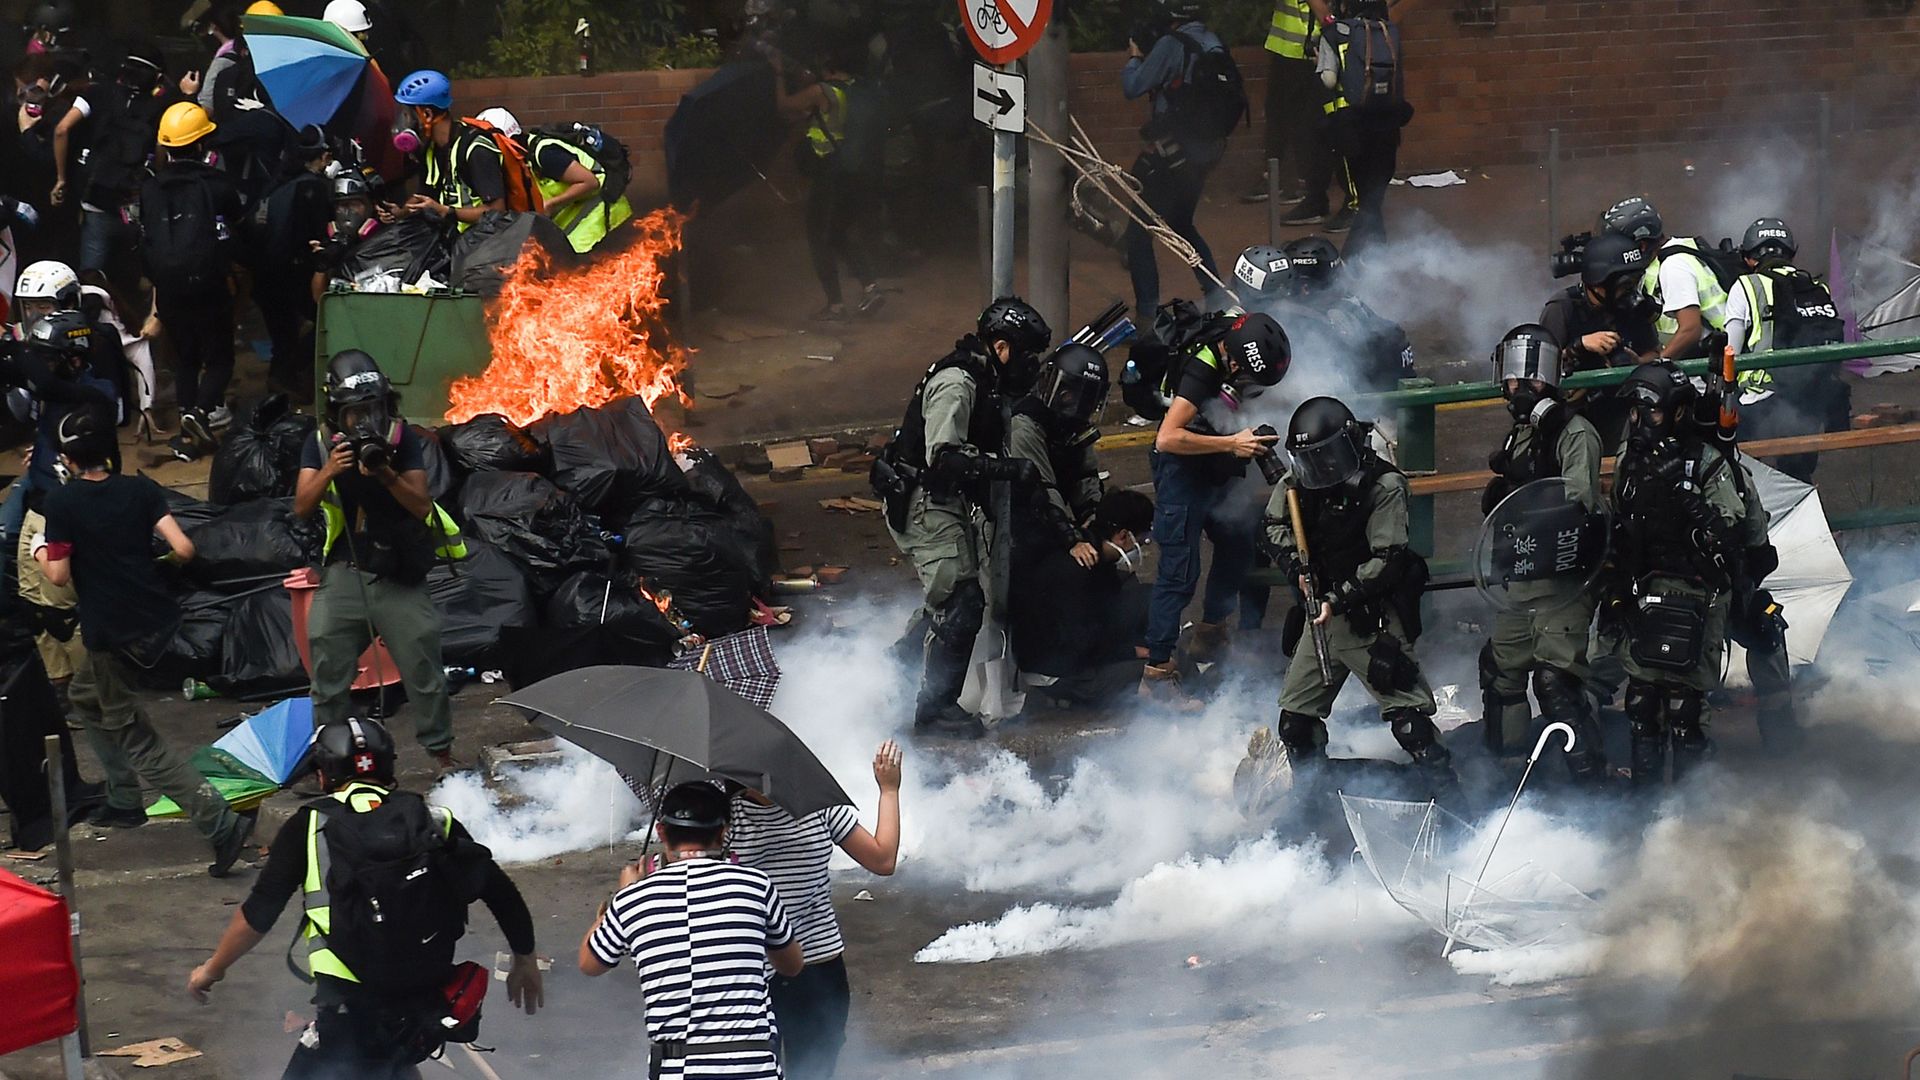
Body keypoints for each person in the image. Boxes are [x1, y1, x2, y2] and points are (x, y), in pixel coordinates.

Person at [186, 717, 544, 1079]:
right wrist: (524, 958)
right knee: (394, 1063)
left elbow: (258, 914)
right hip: (423, 994)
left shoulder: (309, 826)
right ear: (389, 766)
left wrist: (212, 970)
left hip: (348, 999)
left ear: (323, 775)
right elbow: (499, 890)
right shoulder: (434, 820)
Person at [34, 407, 257, 869]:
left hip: (110, 635)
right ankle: (122, 795)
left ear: (68, 460)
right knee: (85, 696)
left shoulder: (62, 503)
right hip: (155, 624)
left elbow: (56, 576)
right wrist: (150, 571)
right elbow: (184, 548)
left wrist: (39, 547)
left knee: (140, 741)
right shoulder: (140, 490)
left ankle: (220, 823)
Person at [874, 298, 1052, 739]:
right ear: (1002, 346)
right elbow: (945, 459)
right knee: (961, 602)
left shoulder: (986, 380)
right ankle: (934, 711)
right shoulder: (958, 383)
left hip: (943, 501)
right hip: (922, 500)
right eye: (1027, 353)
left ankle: (896, 667)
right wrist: (1009, 470)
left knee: (956, 596)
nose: (1030, 365)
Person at [293, 350, 467, 770]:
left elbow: (422, 506)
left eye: (373, 409)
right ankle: (330, 760)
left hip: (397, 573)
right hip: (346, 569)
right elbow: (300, 506)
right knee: (327, 670)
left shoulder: (402, 440)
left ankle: (440, 752)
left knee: (423, 669)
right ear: (337, 413)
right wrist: (330, 470)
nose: (364, 421)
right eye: (355, 413)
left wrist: (386, 474)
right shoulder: (319, 444)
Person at [1264, 396, 1448, 780]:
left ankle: (1449, 799)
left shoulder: (1384, 485)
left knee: (1409, 724)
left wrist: (1336, 598)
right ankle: (1314, 801)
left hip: (1370, 617)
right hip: (1320, 619)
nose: (1318, 468)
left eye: (1324, 457)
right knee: (1295, 723)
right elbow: (1273, 526)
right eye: (1310, 460)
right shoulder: (1301, 478)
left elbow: (1387, 559)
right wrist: (1296, 567)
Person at [581, 781, 805, 1080]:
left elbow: (589, 963)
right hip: (754, 1067)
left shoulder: (633, 900)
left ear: (661, 832)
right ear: (724, 833)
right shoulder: (756, 885)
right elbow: (792, 965)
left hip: (678, 1069)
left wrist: (621, 898)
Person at [1604, 361, 1746, 787]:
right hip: (1646, 587)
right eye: (1634, 412)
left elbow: (1730, 533)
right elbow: (1619, 523)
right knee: (1642, 702)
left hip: (1697, 591)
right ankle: (1645, 801)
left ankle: (1691, 808)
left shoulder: (1704, 462)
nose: (1640, 421)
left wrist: (1686, 495)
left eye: (1651, 411)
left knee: (1685, 709)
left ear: (1678, 412)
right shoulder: (1630, 458)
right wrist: (1614, 589)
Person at [1475, 324, 1607, 780]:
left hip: (1562, 579)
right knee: (1500, 672)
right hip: (1519, 573)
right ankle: (1508, 772)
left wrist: (1528, 502)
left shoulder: (1575, 433)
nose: (1518, 387)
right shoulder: (1521, 434)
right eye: (1511, 376)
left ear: (1550, 378)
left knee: (1555, 684)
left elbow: (1581, 500)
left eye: (1529, 377)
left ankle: (1593, 782)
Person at [727, 741, 903, 1080]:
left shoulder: (727, 821)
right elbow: (883, 859)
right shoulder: (819, 808)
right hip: (815, 970)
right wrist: (889, 791)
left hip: (752, 972)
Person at [1139, 309, 1288, 703]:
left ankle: (1210, 636)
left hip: (1213, 463)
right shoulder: (1203, 370)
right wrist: (1232, 444)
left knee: (1239, 538)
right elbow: (1167, 438)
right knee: (1179, 571)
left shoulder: (1233, 331)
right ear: (1234, 362)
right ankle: (1157, 674)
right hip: (1180, 470)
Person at [1005, 344, 1150, 700]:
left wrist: (1096, 524)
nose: (1079, 406)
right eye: (1073, 395)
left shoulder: (1077, 428)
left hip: (1061, 533)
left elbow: (1086, 481)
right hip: (1022, 530)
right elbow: (1041, 488)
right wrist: (1074, 538)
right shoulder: (1026, 424)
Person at [139, 100, 243, 462]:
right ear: (202, 146)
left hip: (168, 289)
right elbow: (240, 225)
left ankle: (186, 427)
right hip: (209, 285)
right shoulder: (216, 186)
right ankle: (199, 412)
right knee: (219, 359)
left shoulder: (150, 190)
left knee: (185, 359)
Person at [1121, 4, 1230, 320]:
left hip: (1172, 155)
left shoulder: (1172, 45)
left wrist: (1135, 57)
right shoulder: (1212, 40)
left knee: (1139, 233)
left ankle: (1147, 317)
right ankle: (1216, 295)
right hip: (1204, 155)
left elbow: (1133, 86)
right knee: (1182, 224)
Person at [1722, 217, 1850, 483]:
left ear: (1748, 258)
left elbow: (1730, 351)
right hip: (1810, 402)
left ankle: (1758, 521)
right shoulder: (1816, 287)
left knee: (1744, 473)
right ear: (1791, 253)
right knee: (1797, 478)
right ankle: (1800, 521)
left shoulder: (1746, 286)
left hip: (1759, 402)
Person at [769, 45, 884, 321]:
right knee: (839, 232)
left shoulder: (822, 91)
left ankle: (835, 306)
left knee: (819, 236)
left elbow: (784, 105)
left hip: (830, 173)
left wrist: (778, 74)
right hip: (854, 170)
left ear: (827, 65)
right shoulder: (856, 89)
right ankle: (871, 287)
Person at [1235, 235, 1413, 391]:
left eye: (1291, 283)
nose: (1286, 290)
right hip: (1392, 389)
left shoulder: (1326, 321)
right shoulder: (1342, 302)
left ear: (1306, 287)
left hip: (1377, 409)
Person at [1538, 230, 1660, 448]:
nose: (1630, 292)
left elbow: (1653, 350)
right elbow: (1539, 372)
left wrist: (1638, 363)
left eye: (1634, 281)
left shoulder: (1633, 307)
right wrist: (1579, 346)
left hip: (1624, 412)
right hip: (1574, 417)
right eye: (1624, 284)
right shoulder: (1562, 309)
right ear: (1597, 284)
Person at [1314, 0, 1412, 257]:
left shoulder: (1335, 32)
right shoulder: (1390, 31)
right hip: (1388, 127)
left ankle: (1347, 266)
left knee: (1366, 203)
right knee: (1374, 199)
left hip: (1352, 129)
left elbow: (1328, 79)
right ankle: (1380, 261)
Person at [473, 107, 634, 255]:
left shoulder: (544, 154)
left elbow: (589, 182)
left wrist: (551, 204)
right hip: (586, 233)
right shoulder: (522, 163)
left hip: (605, 224)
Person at [74, 47, 167, 294]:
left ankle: (92, 311)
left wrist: (63, 178)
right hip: (134, 202)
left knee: (92, 271)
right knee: (138, 272)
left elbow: (63, 129)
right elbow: (159, 154)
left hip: (96, 196)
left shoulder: (101, 95)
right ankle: (136, 319)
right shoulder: (159, 108)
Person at [253, 125, 333, 402]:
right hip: (291, 272)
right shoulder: (313, 187)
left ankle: (282, 382)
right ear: (322, 157)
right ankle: (289, 381)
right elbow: (319, 233)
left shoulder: (278, 183)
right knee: (326, 319)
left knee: (283, 334)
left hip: (265, 271)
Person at [1601, 195, 1729, 361]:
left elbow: (1691, 330)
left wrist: (1656, 366)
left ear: (1642, 245)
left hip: (1711, 364)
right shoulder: (1681, 248)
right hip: (1713, 355)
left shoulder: (1673, 266)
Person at [391, 70, 506, 229]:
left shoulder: (476, 150)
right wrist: (399, 212)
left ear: (427, 114)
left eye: (408, 116)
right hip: (454, 244)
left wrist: (447, 211)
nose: (403, 125)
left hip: (484, 246)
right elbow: (424, 196)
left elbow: (497, 211)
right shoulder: (431, 150)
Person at [1244, 0, 1331, 206]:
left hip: (1306, 49)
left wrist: (1330, 29)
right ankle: (1273, 178)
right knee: (1277, 115)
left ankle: (1302, 182)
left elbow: (1323, 10)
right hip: (1285, 47)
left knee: (1302, 118)